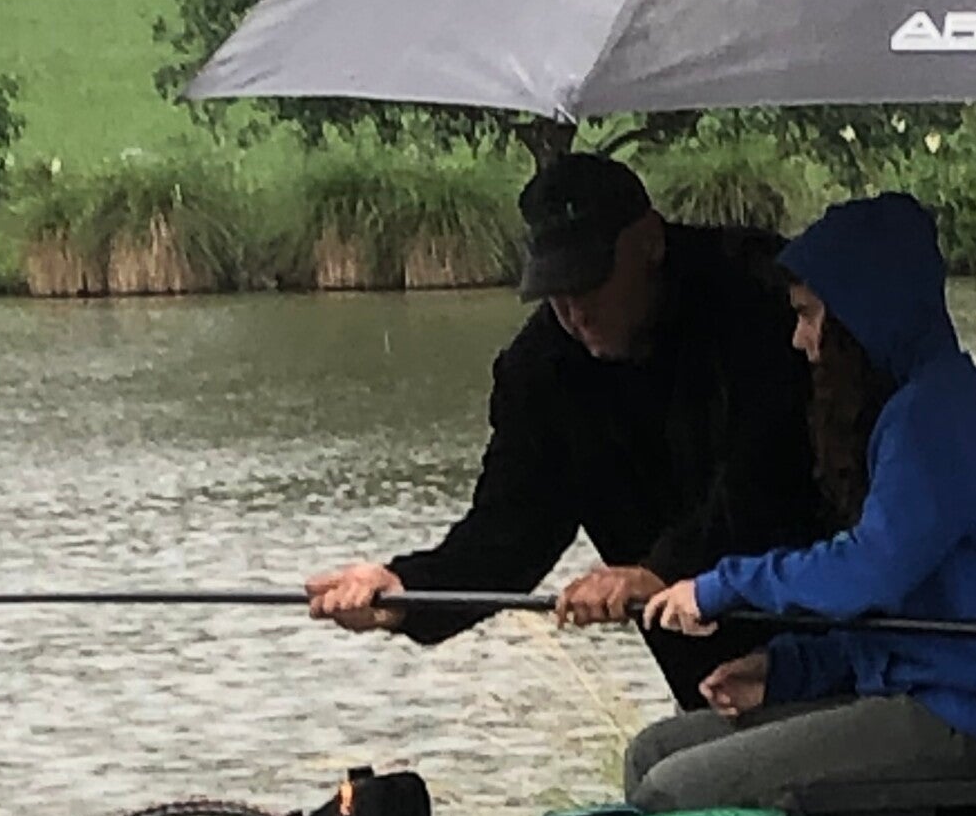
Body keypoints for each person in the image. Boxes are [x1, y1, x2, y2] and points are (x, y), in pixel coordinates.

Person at [303, 152, 825, 706]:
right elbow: (510, 530)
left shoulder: (766, 302)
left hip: (840, 633)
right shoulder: (541, 369)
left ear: (649, 242)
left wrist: (660, 571)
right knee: (666, 756)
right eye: (556, 289)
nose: (576, 311)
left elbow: (773, 475)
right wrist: (405, 591)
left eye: (591, 281)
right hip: (710, 677)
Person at [625, 191, 976, 810]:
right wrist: (785, 671)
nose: (799, 339)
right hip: (935, 692)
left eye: (808, 315)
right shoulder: (944, 403)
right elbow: (909, 620)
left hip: (963, 722)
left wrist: (718, 587)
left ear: (863, 316)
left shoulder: (932, 421)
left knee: (673, 790)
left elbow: (865, 573)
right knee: (652, 753)